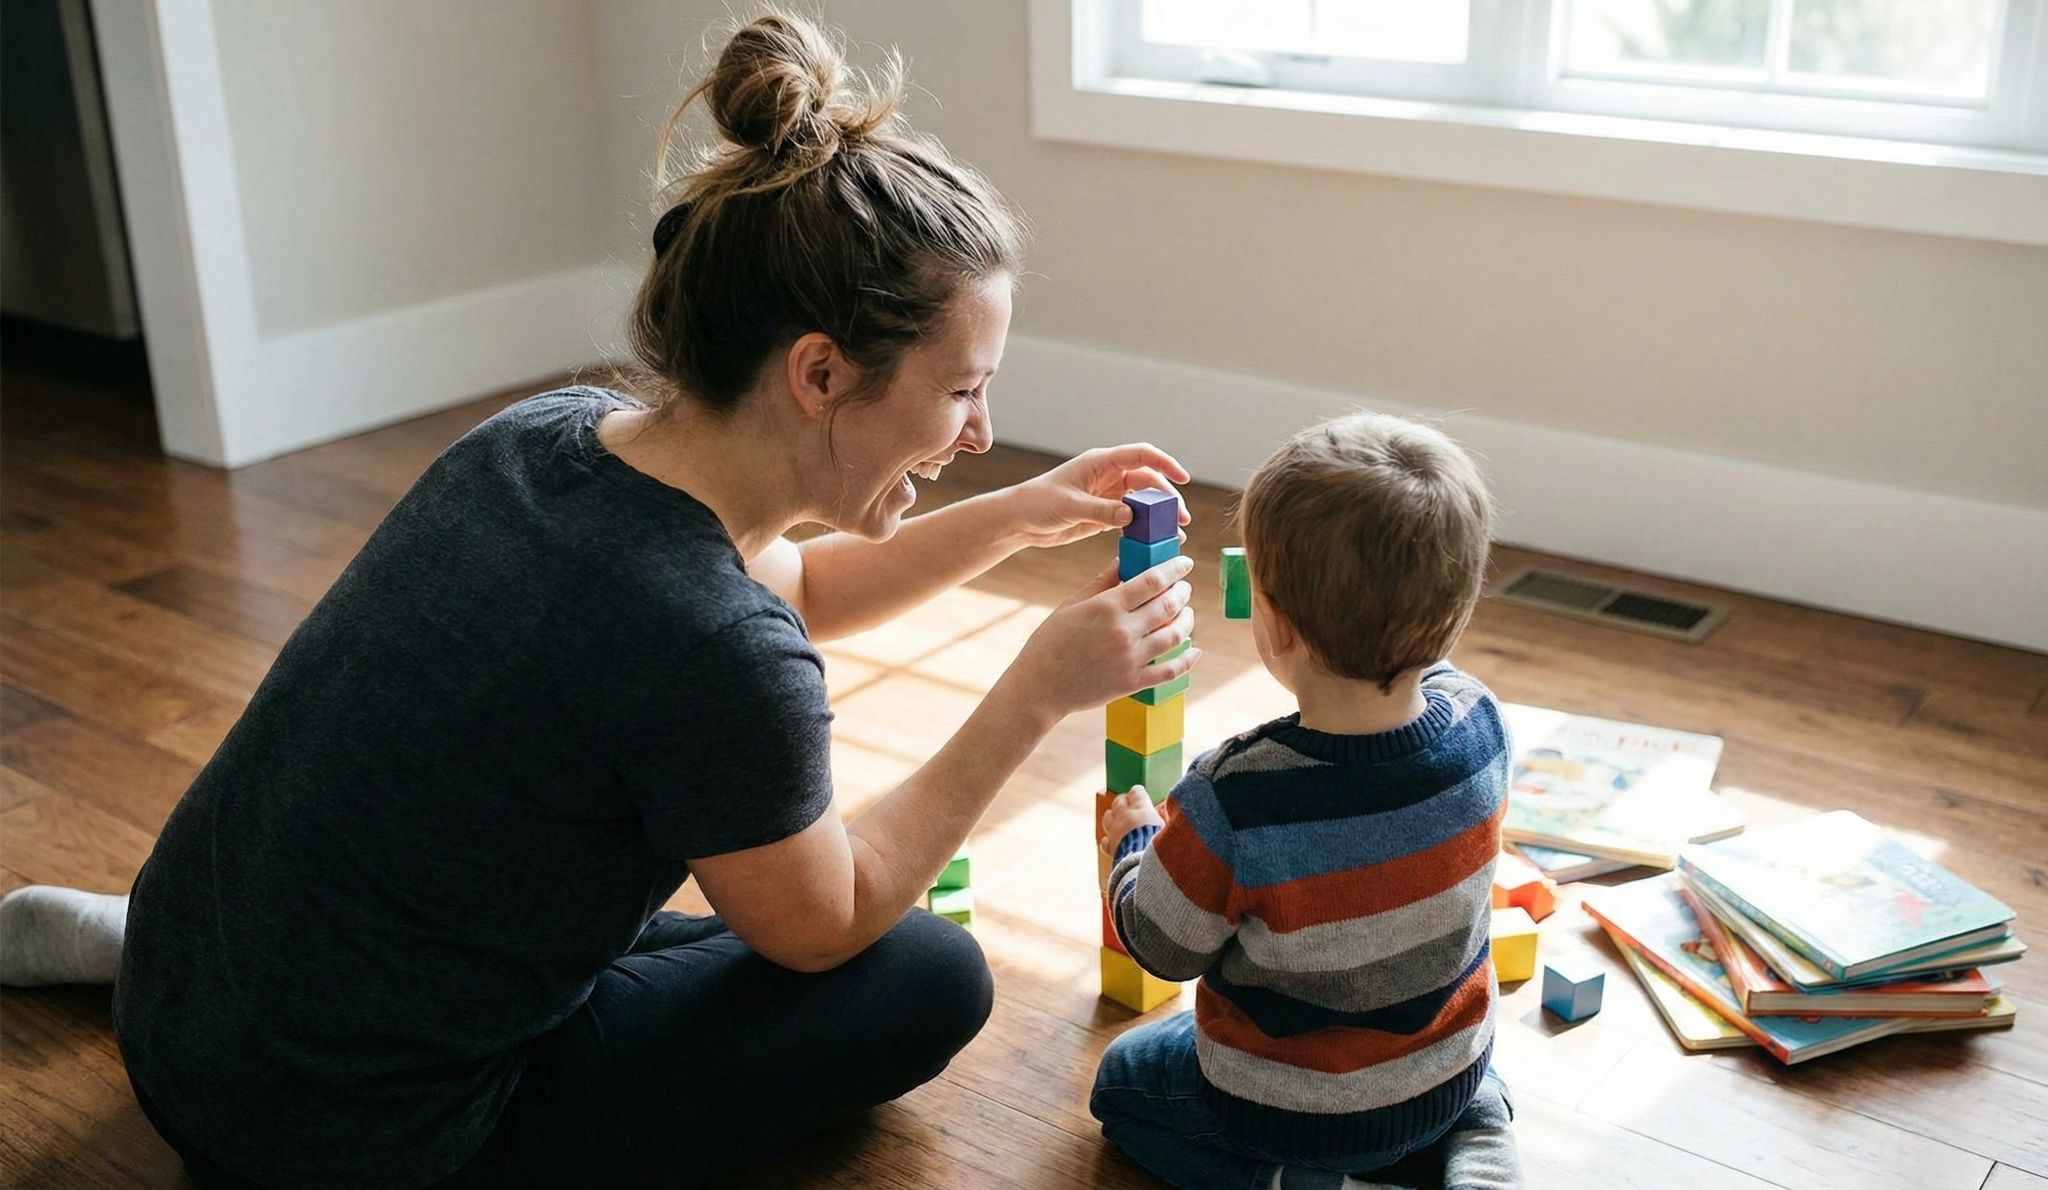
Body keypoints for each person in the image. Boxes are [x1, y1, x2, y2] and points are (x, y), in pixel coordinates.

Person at [0, 13, 1202, 1188]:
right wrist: (1034, 688)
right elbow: (822, 921)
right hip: (340, 1139)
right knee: (925, 972)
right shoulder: (707, 641)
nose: (982, 433)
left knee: (660, 850)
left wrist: (1016, 513)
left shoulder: (546, 433)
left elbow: (805, 580)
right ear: (820, 372)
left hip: (191, 1006)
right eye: (960, 392)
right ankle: (280, 1006)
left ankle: (194, 955)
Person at [1091, 412, 1524, 1190]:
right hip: (1445, 1068)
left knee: (1125, 1082)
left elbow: (1161, 944)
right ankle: (1476, 1135)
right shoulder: (1482, 721)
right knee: (1451, 1085)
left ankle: (1319, 1181)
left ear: (1277, 627)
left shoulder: (1235, 798)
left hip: (1294, 1108)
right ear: (1455, 611)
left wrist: (1130, 847)